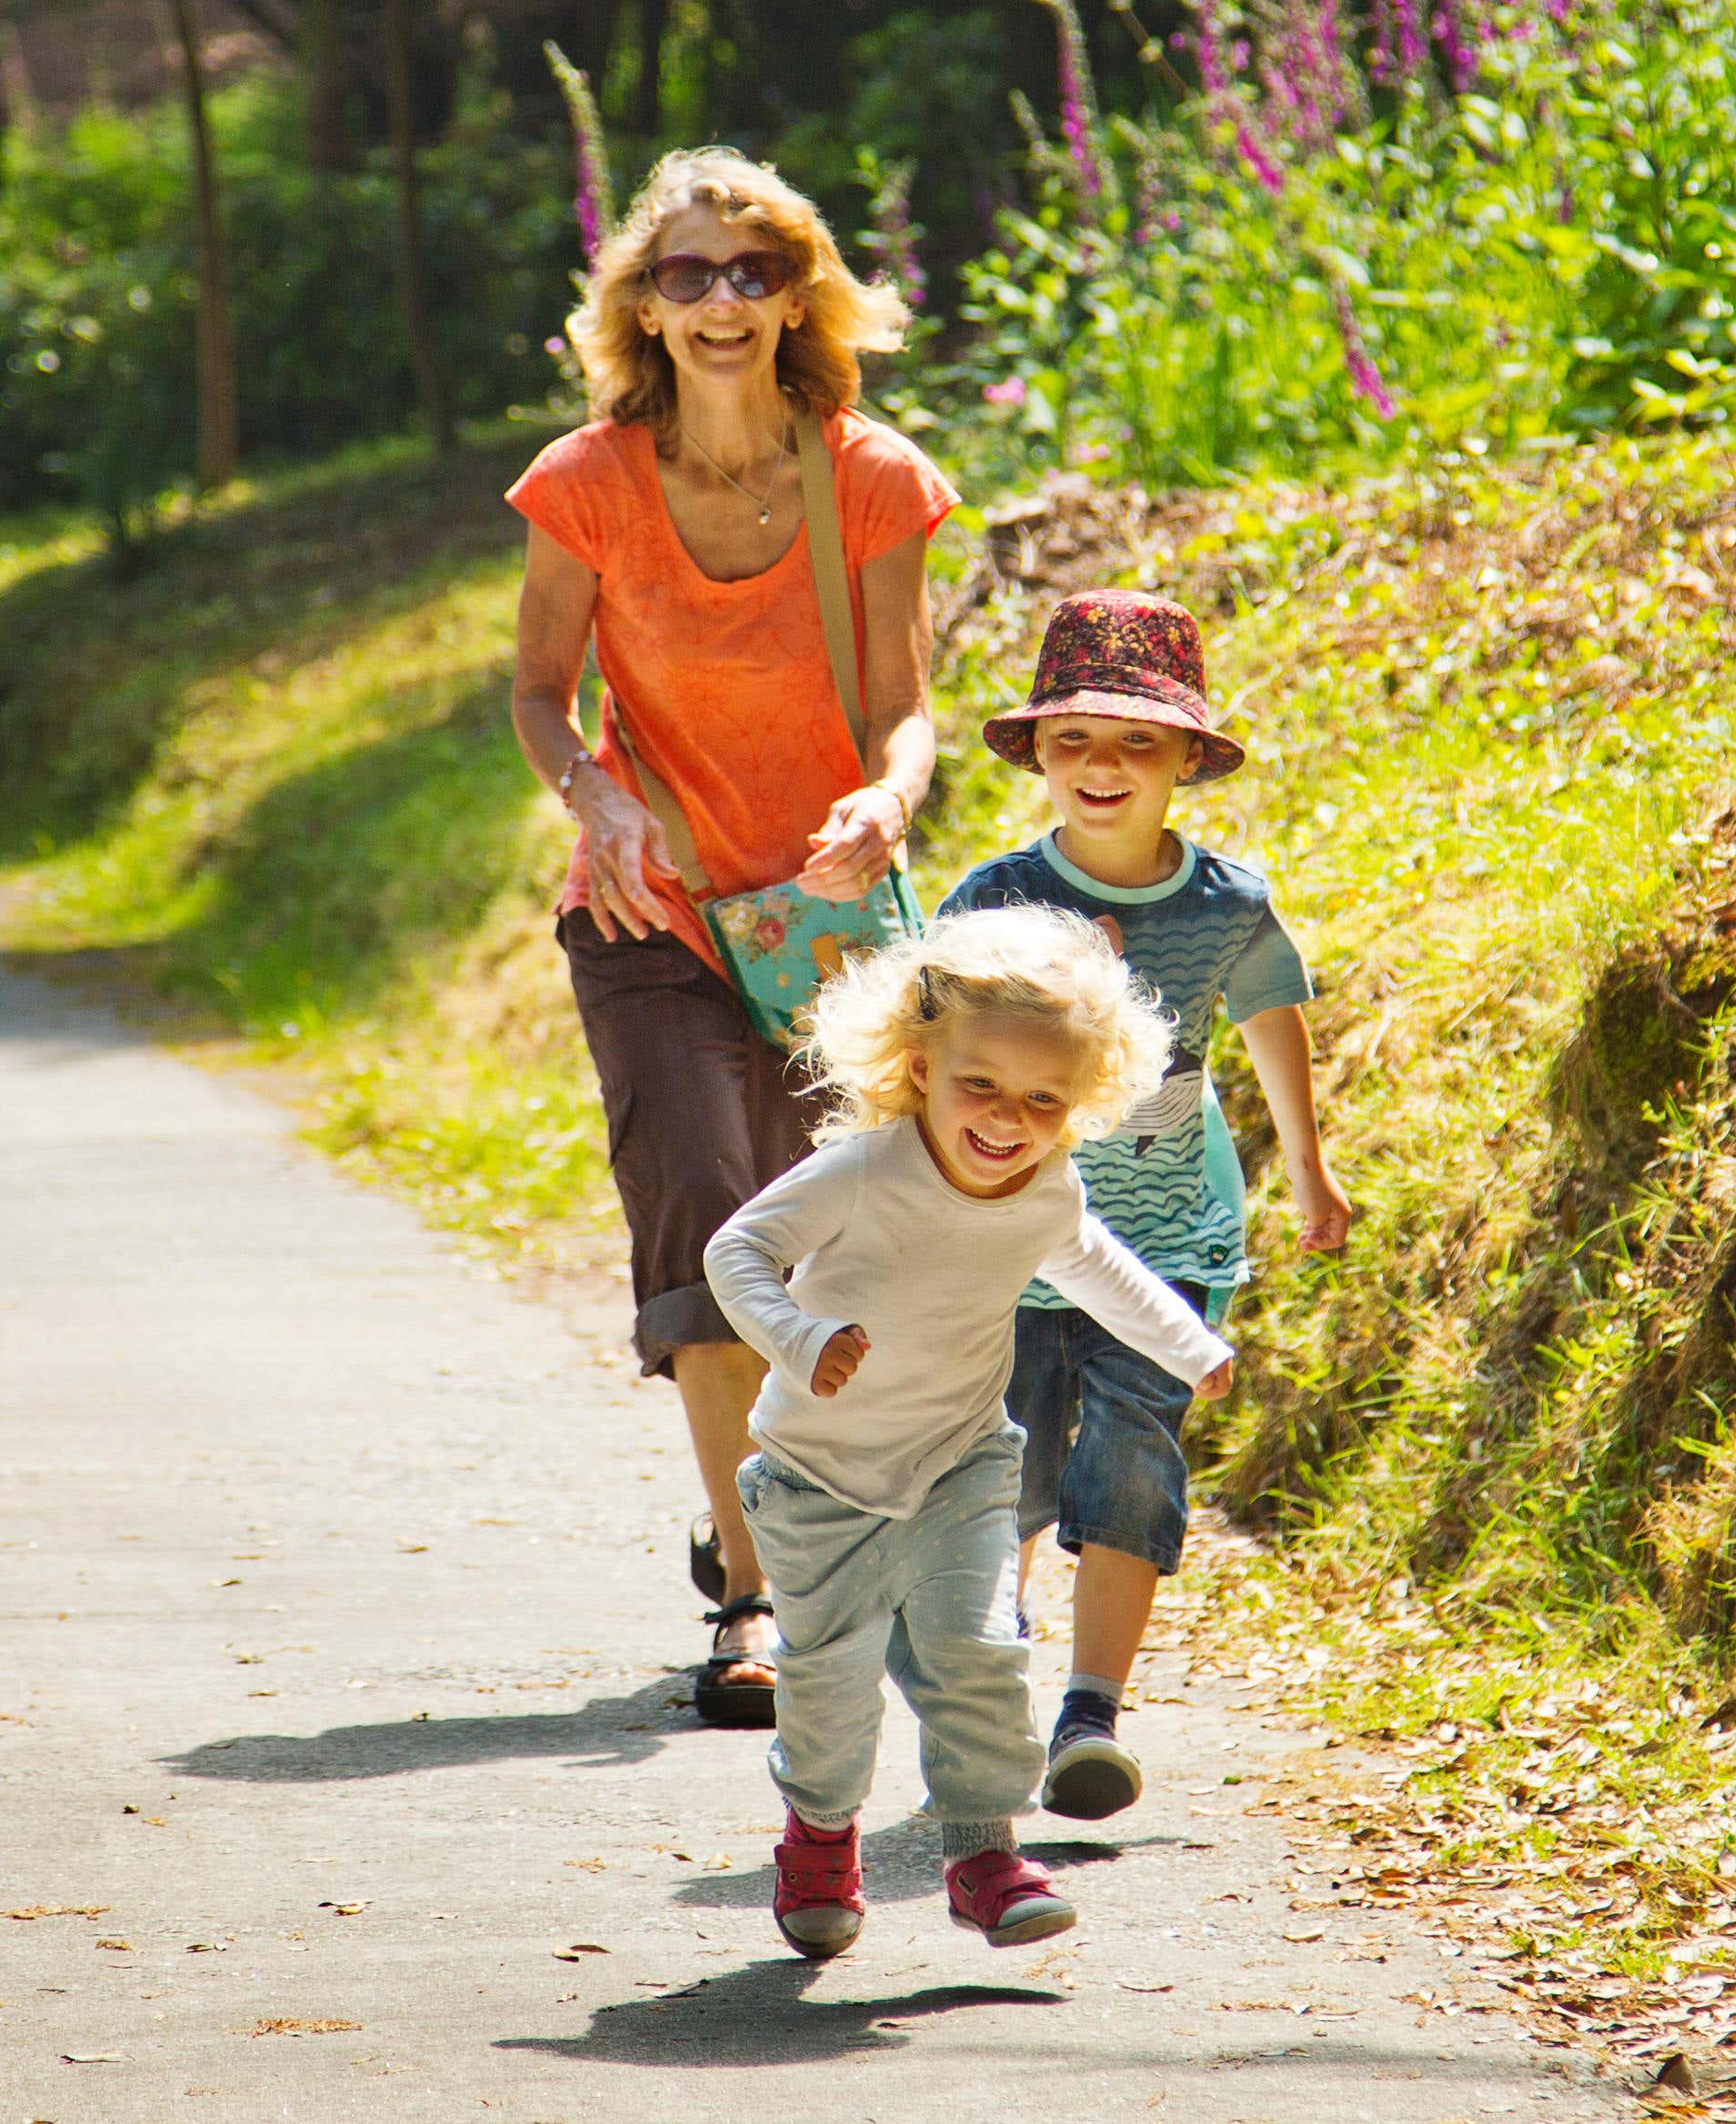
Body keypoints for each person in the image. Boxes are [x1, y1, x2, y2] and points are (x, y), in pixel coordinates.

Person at [504, 147, 958, 1726]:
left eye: (748, 271)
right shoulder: (583, 482)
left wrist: (887, 807)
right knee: (706, 1214)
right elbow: (534, 699)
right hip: (649, 912)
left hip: (826, 914)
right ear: (639, 300)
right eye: (683, 274)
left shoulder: (870, 476)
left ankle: (749, 1505)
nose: (715, 301)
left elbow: (904, 716)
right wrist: (596, 803)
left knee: (820, 1241)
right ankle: (753, 1609)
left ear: (796, 297)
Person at [701, 905, 1236, 1958]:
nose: (1007, 1118)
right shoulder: (864, 1170)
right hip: (819, 1474)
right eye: (979, 1085)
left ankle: (984, 1854)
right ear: (917, 1064)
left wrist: (1189, 1346)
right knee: (832, 1680)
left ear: (1081, 1104)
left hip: (961, 1465)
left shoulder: (1045, 1187)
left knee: (980, 1655)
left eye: (1043, 1099)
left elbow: (1095, 1264)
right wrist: (800, 1337)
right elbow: (736, 1251)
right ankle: (819, 1832)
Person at [938, 588, 1356, 1823]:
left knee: (1130, 1458)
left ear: (1186, 758)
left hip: (1169, 1236)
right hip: (1007, 1241)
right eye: (1072, 740)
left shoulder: (1229, 904)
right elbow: (934, 1061)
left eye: (1134, 742)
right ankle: (989, 1668)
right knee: (1000, 1464)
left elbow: (1273, 1026)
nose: (1101, 767)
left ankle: (1089, 1715)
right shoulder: (993, 897)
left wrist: (1311, 1170)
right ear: (1040, 760)